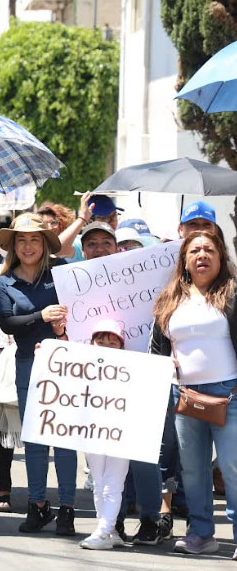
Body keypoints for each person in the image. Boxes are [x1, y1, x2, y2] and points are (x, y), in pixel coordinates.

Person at [79, 220, 168, 544]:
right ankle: (111, 525)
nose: (99, 248)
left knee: (143, 458)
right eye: (92, 243)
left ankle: (149, 519)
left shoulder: (136, 280)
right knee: (102, 466)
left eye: (106, 242)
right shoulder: (74, 284)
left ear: (116, 247)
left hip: (137, 381)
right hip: (92, 389)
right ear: (83, 249)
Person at [150, 229, 237, 557]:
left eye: (209, 250)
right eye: (195, 251)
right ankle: (201, 533)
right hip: (184, 397)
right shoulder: (169, 298)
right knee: (193, 469)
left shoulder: (232, 292)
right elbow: (158, 350)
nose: (202, 255)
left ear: (220, 258)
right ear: (184, 260)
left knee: (232, 466)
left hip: (229, 395)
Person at [0, 213, 76, 535]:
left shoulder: (61, 273)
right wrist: (41, 316)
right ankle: (38, 504)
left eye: (34, 239)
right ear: (14, 245)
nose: (28, 246)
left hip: (66, 364)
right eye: (22, 240)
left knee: (66, 440)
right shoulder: (5, 281)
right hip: (28, 363)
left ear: (45, 245)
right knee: (35, 439)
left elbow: (81, 311)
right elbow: (6, 323)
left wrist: (62, 327)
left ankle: (67, 507)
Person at [79, 318, 131, 551]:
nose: (107, 347)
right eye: (101, 342)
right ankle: (106, 530)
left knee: (113, 483)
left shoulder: (133, 369)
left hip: (122, 432)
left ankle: (104, 530)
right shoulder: (81, 368)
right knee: (99, 482)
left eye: (113, 343)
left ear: (121, 346)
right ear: (92, 344)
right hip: (93, 431)